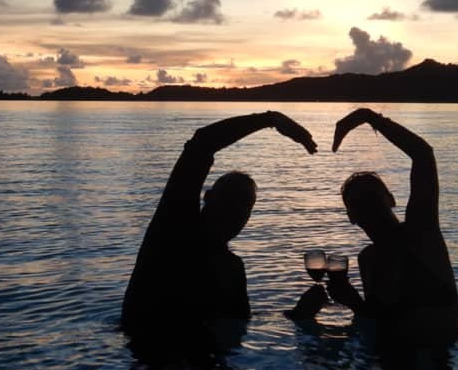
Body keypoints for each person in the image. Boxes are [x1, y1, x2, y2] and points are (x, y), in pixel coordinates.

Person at [122, 111, 316, 353]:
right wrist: (269, 119)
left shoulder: (233, 268)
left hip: (203, 368)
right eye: (229, 198)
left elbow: (239, 328)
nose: (235, 209)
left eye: (245, 204)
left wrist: (299, 315)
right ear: (207, 197)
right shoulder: (173, 229)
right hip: (153, 360)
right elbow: (202, 144)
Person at [302, 108, 458, 348]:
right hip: (388, 362)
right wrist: (353, 302)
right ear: (351, 216)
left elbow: (423, 154)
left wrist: (369, 117)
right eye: (358, 202)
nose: (367, 204)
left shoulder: (420, 233)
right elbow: (380, 319)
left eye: (371, 196)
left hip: (434, 362)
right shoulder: (368, 259)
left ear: (391, 199)